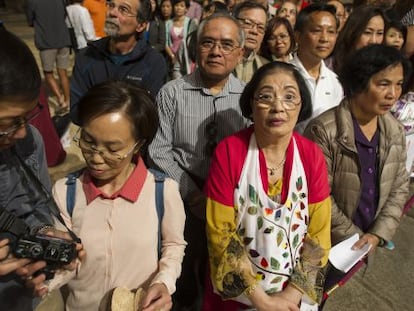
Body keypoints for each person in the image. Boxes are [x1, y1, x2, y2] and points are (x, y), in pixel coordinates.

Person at [37, 80, 186, 310]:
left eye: (113, 149)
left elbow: (174, 245)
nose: (96, 157)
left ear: (138, 146)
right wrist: (47, 281)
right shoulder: (66, 192)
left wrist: (164, 282)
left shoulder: (162, 191)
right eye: (88, 141)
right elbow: (66, 264)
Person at [203, 61, 331, 311]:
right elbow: (221, 232)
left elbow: (319, 232)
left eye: (289, 97)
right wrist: (261, 300)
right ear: (251, 104)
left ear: (301, 105)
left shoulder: (311, 155)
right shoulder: (230, 151)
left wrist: (291, 296)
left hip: (293, 298)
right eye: (266, 96)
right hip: (238, 299)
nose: (277, 107)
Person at [148, 13, 249, 310]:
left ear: (240, 53)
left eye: (227, 45)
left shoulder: (247, 99)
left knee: (223, 267)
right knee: (182, 266)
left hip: (230, 200)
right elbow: (159, 149)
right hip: (182, 194)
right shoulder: (172, 93)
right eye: (208, 43)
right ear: (195, 48)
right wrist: (192, 195)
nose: (216, 51)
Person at [304, 44, 411, 294]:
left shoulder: (394, 130)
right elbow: (317, 194)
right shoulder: (324, 130)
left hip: (360, 245)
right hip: (317, 242)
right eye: (383, 84)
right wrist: (355, 238)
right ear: (359, 82)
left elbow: (399, 187)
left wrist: (377, 234)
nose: (393, 94)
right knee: (305, 296)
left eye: (398, 84)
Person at [0, 25, 82, 311]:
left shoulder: (28, 142)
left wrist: (47, 234)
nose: (22, 132)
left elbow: (35, 208)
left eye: (28, 116)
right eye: (8, 123)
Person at [69, 0, 168, 124]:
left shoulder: (154, 63)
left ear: (140, 25)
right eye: (111, 5)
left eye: (123, 9)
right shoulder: (86, 57)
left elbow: (151, 117)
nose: (112, 13)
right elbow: (76, 113)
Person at [290, 3, 343, 133]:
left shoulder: (335, 82)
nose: (324, 38)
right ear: (297, 36)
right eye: (316, 31)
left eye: (331, 32)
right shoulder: (282, 75)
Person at [25, 0, 71, 111]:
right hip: (63, 39)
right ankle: (68, 100)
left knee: (48, 73)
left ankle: (60, 99)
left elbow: (30, 21)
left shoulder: (33, 2)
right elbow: (65, 14)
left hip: (46, 42)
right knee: (63, 73)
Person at [332, 5, 385, 74]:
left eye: (380, 33)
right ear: (353, 32)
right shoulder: (332, 66)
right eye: (367, 32)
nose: (373, 41)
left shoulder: (385, 68)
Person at [233, 1, 269, 83]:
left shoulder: (266, 69)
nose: (254, 31)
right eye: (248, 23)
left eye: (260, 27)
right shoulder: (218, 59)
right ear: (233, 22)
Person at [165, 0, 198, 80]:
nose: (178, 8)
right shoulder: (168, 23)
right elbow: (166, 42)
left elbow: (192, 41)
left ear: (186, 9)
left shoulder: (191, 22)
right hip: (172, 59)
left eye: (182, 6)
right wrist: (172, 56)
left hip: (186, 57)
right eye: (176, 5)